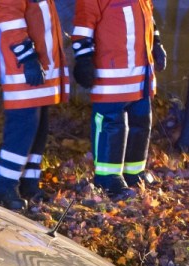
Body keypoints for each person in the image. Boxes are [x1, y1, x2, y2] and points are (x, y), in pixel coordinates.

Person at [71, 0, 166, 200]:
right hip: (110, 75)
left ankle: (134, 173)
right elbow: (83, 26)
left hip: (140, 76)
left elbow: (148, 17)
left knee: (140, 123)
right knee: (111, 125)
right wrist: (83, 60)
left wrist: (156, 43)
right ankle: (107, 178)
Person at [0, 0, 69, 211]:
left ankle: (28, 184)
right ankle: (5, 187)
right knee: (22, 128)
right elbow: (8, 14)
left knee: (38, 129)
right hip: (23, 65)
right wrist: (27, 57)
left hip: (39, 64)